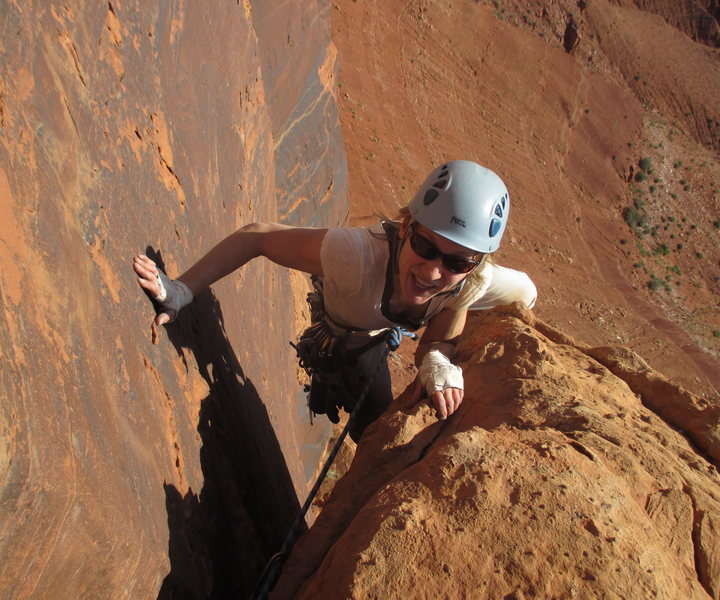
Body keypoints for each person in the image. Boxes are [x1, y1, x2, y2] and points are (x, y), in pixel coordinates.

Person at [133, 160, 536, 442]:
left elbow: (462, 328)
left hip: (385, 319)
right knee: (373, 423)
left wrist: (437, 360)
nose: (433, 271)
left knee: (525, 291)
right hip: (351, 335)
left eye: (456, 260)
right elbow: (256, 236)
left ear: (476, 262)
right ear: (407, 225)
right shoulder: (353, 257)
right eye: (425, 246)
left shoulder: (472, 282)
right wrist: (182, 289)